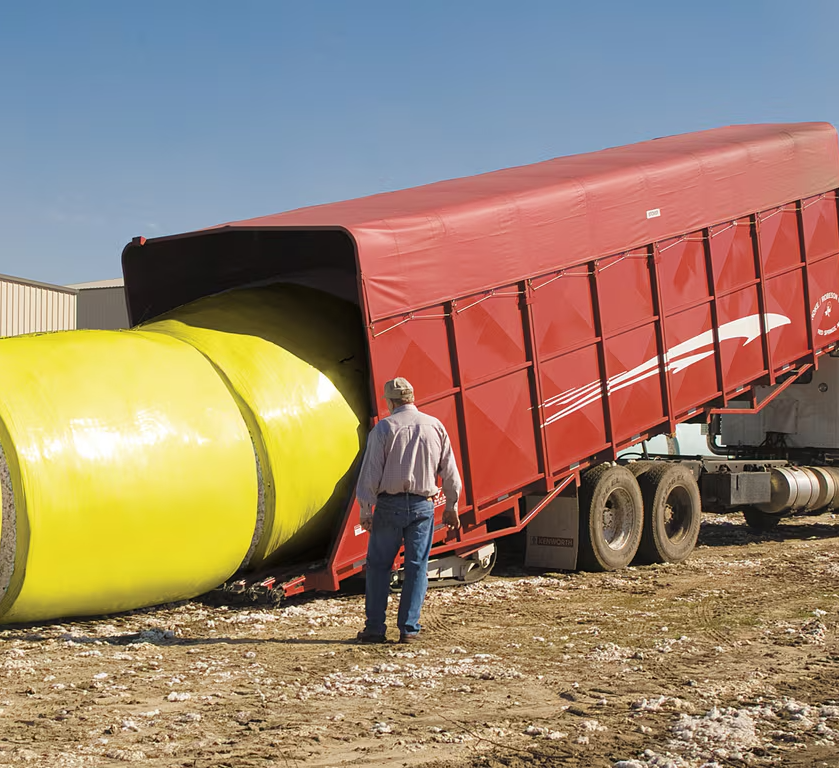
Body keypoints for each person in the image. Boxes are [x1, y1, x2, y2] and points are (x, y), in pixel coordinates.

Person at [354, 377, 462, 644]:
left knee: (379, 567)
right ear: (412, 398)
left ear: (390, 402)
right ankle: (409, 629)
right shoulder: (435, 426)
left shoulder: (384, 429)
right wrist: (452, 505)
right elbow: (450, 471)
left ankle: (375, 628)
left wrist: (366, 510)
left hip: (389, 505)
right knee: (416, 567)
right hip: (422, 505)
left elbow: (370, 473)